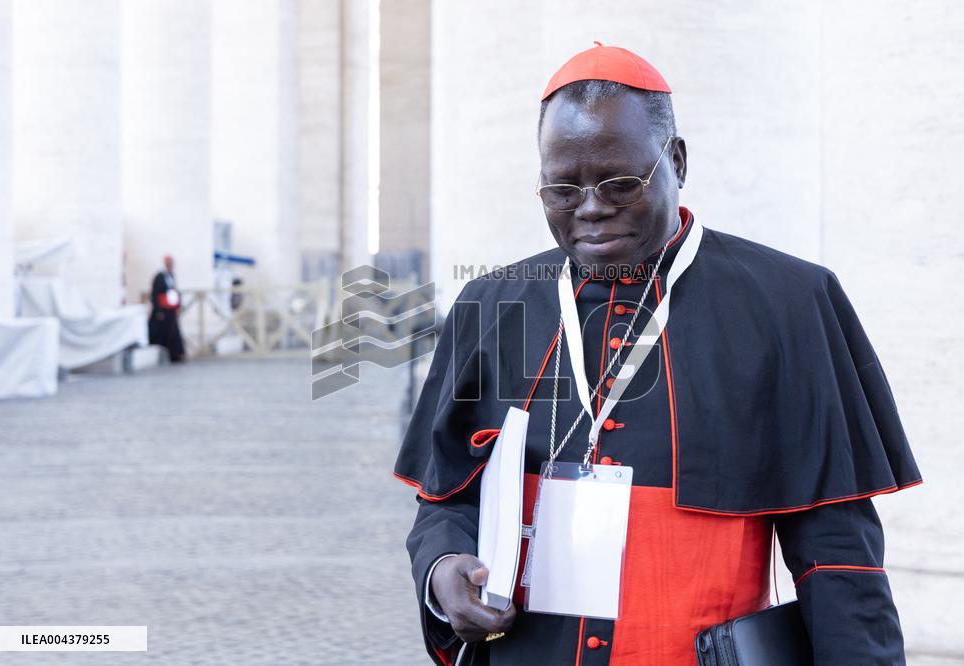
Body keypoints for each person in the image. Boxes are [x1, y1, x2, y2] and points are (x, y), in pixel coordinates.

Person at [394, 43, 921, 665]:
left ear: (676, 160)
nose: (590, 207)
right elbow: (446, 500)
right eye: (563, 189)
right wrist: (442, 569)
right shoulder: (494, 303)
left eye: (619, 183)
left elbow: (837, 555)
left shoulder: (789, 303)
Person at [148, 254, 186, 363]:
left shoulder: (171, 276)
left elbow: (174, 292)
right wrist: (158, 310)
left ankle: (175, 355)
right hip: (162, 310)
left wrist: (178, 306)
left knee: (173, 332)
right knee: (162, 333)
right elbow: (155, 294)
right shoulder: (159, 277)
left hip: (171, 309)